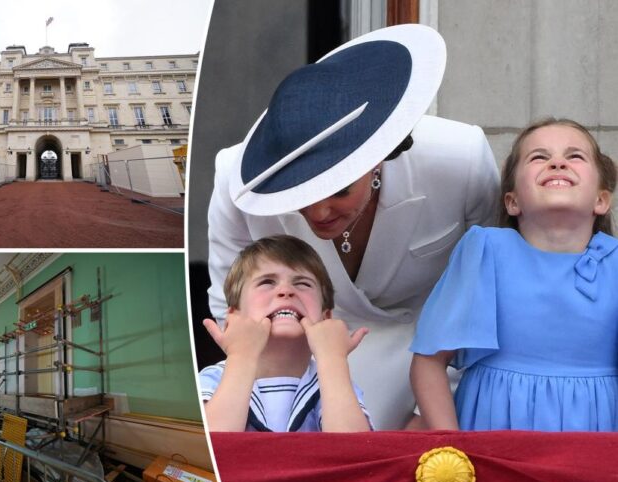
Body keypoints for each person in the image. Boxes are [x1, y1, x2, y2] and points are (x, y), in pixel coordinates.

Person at [206, 24, 500, 429]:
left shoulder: (461, 160)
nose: (320, 211)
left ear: (378, 158)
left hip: (431, 362)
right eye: (299, 194)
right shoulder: (233, 177)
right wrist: (271, 407)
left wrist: (434, 410)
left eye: (339, 189)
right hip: (303, 370)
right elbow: (232, 304)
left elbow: (482, 299)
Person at [410, 118, 618, 431]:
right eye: (539, 157)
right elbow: (429, 362)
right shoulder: (485, 251)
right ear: (513, 201)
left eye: (575, 156)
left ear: (602, 200)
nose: (557, 163)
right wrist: (451, 446)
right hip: (493, 435)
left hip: (596, 440)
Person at [199, 235, 372, 432]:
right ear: (234, 316)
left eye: (303, 284)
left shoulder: (333, 379)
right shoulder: (213, 379)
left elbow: (353, 450)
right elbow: (214, 446)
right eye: (267, 282)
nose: (286, 291)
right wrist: (241, 356)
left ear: (326, 318)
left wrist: (332, 358)